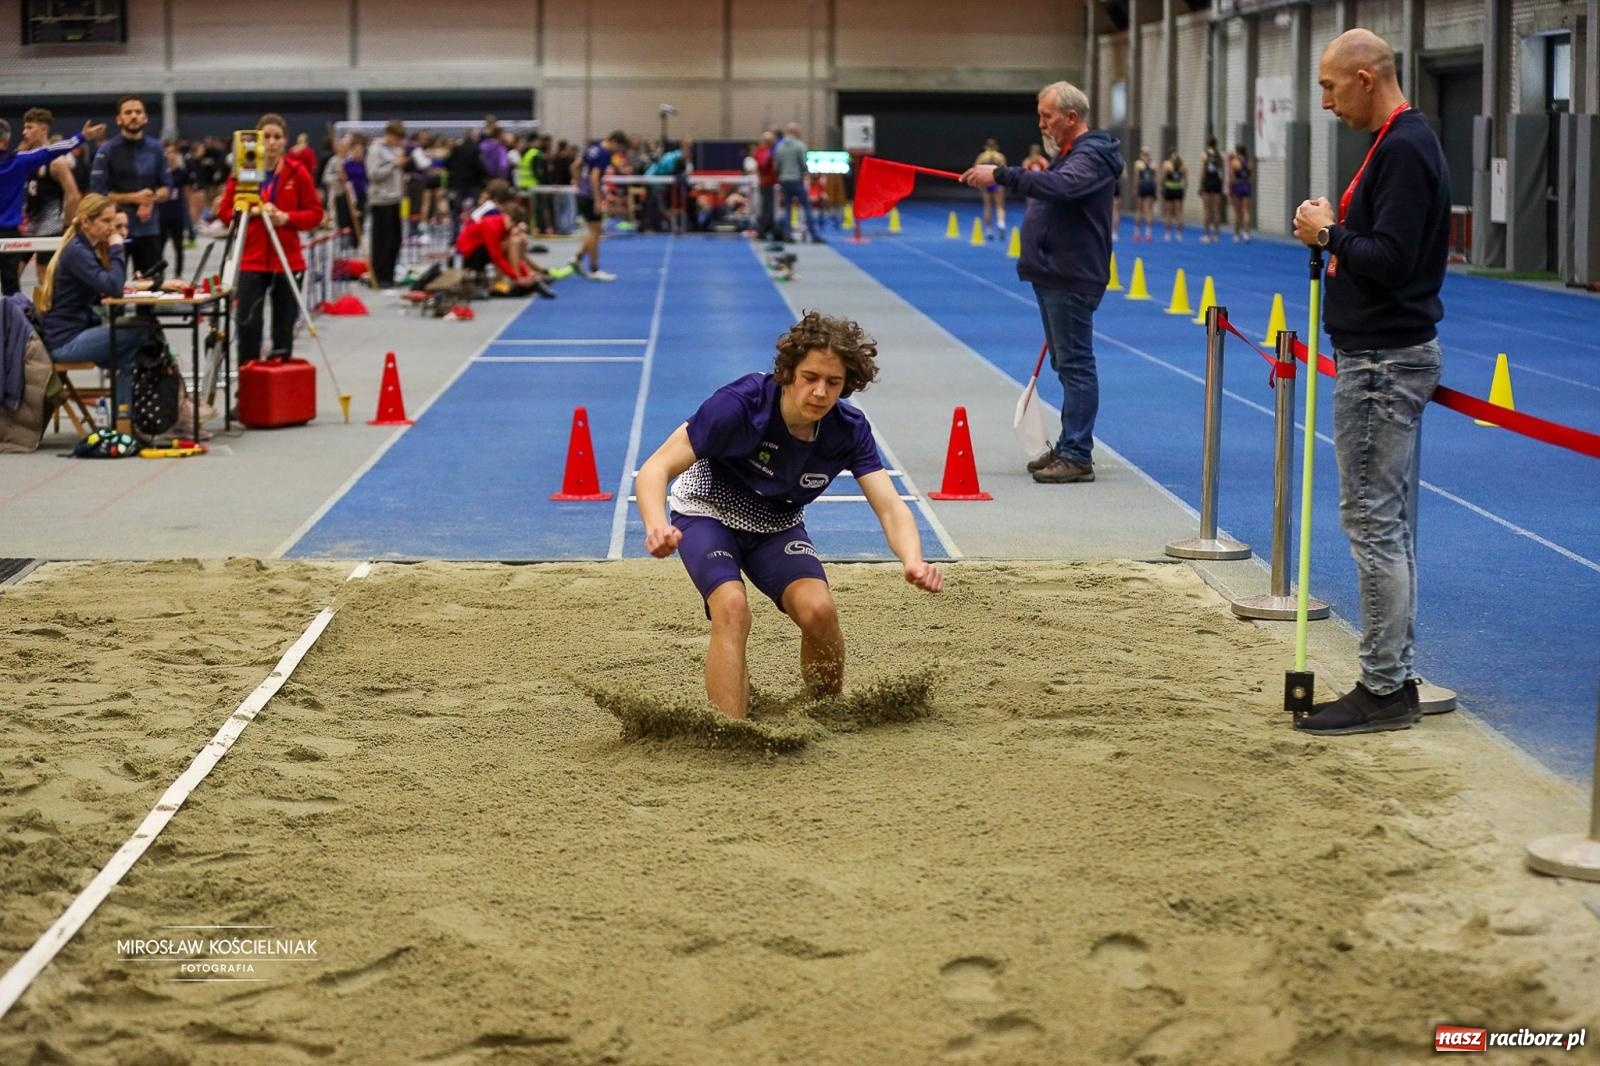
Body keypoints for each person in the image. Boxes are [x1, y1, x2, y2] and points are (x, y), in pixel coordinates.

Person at [635, 311, 943, 719]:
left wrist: (913, 560)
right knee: (732, 607)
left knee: (820, 611)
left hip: (776, 525)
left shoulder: (848, 429)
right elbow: (655, 468)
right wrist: (656, 525)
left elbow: (889, 506)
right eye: (810, 377)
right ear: (788, 372)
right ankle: (731, 731)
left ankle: (824, 714)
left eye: (833, 383)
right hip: (706, 511)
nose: (819, 392)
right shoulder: (740, 405)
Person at [1290, 28, 1451, 735]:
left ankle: (1384, 687)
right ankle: (1394, 677)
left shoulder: (1406, 148)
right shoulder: (1397, 143)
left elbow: (1389, 259)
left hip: (1384, 359)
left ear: (1364, 77)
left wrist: (1328, 234)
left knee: (1372, 522)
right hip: (1380, 353)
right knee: (1385, 522)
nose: (1326, 103)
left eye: (1329, 87)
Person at [961, 81, 1123, 486]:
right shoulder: (1071, 154)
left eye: (1047, 116)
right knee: (1066, 364)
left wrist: (1001, 174)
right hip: (1056, 272)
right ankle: (1070, 444)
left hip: (1071, 275)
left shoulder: (1091, 156)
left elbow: (1062, 188)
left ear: (1072, 117)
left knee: (1076, 364)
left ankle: (1077, 454)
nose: (1041, 124)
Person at [216, 114, 324, 364]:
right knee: (248, 327)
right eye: (266, 137)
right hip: (251, 260)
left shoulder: (297, 172)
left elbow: (315, 214)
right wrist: (250, 211)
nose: (272, 142)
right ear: (257, 140)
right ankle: (248, 381)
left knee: (284, 331)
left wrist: (287, 217)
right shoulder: (241, 172)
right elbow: (224, 213)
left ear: (285, 141)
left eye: (277, 137)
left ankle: (279, 379)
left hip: (288, 259)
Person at [35, 194, 153, 417]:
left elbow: (108, 284)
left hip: (72, 333)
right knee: (145, 333)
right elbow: (114, 287)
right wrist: (116, 248)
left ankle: (125, 418)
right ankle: (134, 414)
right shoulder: (78, 252)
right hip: (65, 341)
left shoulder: (84, 248)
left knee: (133, 354)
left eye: (113, 222)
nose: (111, 228)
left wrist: (156, 284)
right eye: (105, 221)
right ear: (86, 222)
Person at [1, 114, 101, 296]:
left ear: (43, 129)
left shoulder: (50, 162)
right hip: (26, 227)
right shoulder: (20, 158)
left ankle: (50, 312)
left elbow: (73, 195)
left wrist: (68, 226)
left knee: (42, 279)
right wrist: (81, 136)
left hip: (49, 227)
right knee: (12, 281)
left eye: (29, 127)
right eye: (24, 127)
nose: (24, 132)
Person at [90, 95, 174, 276]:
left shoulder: (156, 148)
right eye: (128, 112)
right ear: (119, 119)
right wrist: (135, 198)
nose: (134, 116)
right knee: (112, 285)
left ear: (145, 118)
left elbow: (168, 187)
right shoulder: (106, 151)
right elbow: (98, 193)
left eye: (138, 112)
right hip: (114, 230)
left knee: (152, 284)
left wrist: (149, 200)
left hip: (149, 229)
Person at [569, 130, 621, 282]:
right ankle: (594, 269)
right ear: (614, 141)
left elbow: (575, 166)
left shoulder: (593, 148)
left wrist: (577, 181)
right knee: (595, 231)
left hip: (582, 194)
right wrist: (598, 200)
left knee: (594, 230)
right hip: (590, 196)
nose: (616, 151)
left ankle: (577, 258)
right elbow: (594, 176)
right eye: (618, 148)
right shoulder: (604, 154)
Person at [365, 120, 405, 288]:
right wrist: (394, 165)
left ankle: (389, 274)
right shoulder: (376, 150)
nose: (399, 142)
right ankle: (379, 276)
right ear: (389, 134)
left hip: (395, 199)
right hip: (381, 201)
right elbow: (373, 174)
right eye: (397, 138)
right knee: (383, 241)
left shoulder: (393, 150)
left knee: (395, 239)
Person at [774, 123, 821, 245]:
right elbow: (804, 163)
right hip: (796, 180)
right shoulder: (800, 145)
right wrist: (809, 174)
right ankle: (813, 234)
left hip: (784, 180)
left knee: (787, 208)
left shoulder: (779, 146)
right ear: (795, 132)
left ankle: (787, 234)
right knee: (807, 207)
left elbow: (776, 166)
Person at [974, 138, 1008, 239]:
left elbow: (976, 169)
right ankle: (1001, 225)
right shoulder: (1000, 157)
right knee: (1000, 206)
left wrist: (979, 183)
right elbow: (1005, 171)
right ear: (996, 147)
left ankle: (989, 230)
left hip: (986, 183)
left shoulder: (982, 156)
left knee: (987, 206)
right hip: (997, 183)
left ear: (986, 147)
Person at [1199, 138, 1225, 243]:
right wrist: (1222, 184)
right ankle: (1216, 235)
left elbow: (1203, 171)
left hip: (1208, 182)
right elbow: (1222, 172)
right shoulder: (1220, 155)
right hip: (1217, 182)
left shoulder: (1204, 155)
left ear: (1207, 144)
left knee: (1207, 210)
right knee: (1216, 209)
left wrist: (1201, 185)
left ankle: (1206, 235)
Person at [1228, 144, 1254, 242]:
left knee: (1237, 212)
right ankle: (1247, 234)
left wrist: (1231, 191)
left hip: (1237, 186)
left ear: (1237, 151)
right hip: (1246, 186)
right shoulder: (1249, 162)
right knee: (1246, 211)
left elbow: (1232, 177)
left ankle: (1236, 234)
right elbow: (1250, 176)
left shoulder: (1234, 162)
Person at [1160, 149, 1186, 240]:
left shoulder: (1166, 164)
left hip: (1169, 189)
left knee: (1168, 212)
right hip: (1178, 189)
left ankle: (1167, 234)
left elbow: (1163, 178)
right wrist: (1183, 189)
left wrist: (1161, 187)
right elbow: (1186, 180)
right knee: (1179, 212)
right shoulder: (1183, 165)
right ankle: (1179, 234)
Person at [1133, 148, 1157, 241]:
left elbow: (1136, 178)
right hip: (1150, 186)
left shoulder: (1138, 163)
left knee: (1139, 210)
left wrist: (1135, 189)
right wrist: (1155, 192)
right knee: (1149, 210)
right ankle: (1148, 234)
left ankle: (1137, 234)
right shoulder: (1154, 164)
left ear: (1141, 154)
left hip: (1142, 185)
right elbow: (1155, 179)